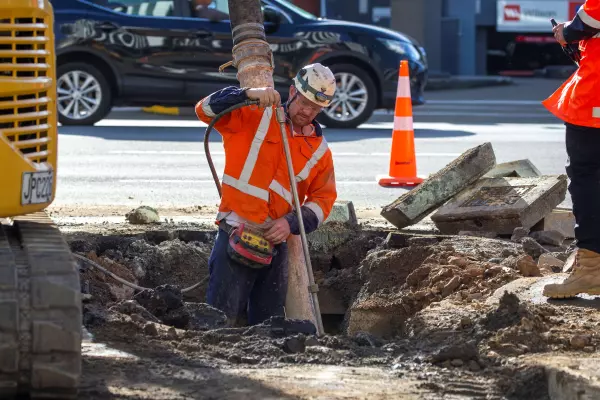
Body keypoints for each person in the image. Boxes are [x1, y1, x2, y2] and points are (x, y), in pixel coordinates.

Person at [195, 63, 338, 326]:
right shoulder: (253, 115)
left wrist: (290, 223)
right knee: (217, 320)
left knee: (268, 324)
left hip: (275, 245)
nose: (307, 112)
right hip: (236, 230)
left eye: (316, 108)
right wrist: (246, 94)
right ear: (293, 91)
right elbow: (204, 109)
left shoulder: (320, 151)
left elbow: (323, 201)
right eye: (304, 103)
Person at [542, 0, 600, 298]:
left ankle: (591, 270)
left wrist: (567, 33)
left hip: (596, 99)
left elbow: (587, 22)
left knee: (587, 175)